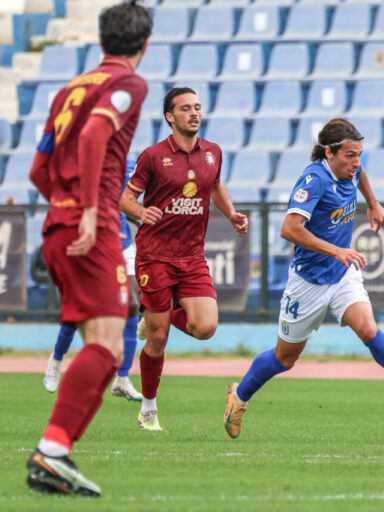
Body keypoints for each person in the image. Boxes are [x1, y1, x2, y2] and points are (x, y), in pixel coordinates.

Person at [222, 118, 384, 439]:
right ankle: (239, 397)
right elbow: (289, 229)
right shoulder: (314, 180)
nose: (356, 163)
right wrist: (336, 250)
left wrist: (373, 203)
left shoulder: (351, 171)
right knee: (284, 359)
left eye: (359, 155)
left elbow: (360, 175)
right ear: (329, 153)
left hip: (341, 276)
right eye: (350, 156)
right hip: (308, 282)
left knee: (368, 329)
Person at [25, 0, 152, 497]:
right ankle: (51, 452)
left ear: (102, 40)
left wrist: (65, 209)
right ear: (144, 45)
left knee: (107, 343)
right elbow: (98, 131)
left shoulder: (68, 90)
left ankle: (56, 453)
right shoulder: (129, 84)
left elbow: (39, 169)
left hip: (59, 224)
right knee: (105, 345)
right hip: (90, 226)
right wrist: (91, 210)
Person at [120, 87, 248, 431]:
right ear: (170, 116)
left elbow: (215, 185)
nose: (194, 113)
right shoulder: (152, 156)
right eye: (186, 108)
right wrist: (140, 212)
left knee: (205, 328)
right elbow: (125, 199)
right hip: (155, 256)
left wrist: (232, 214)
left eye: (198, 107)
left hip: (191, 255)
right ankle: (148, 408)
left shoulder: (213, 153)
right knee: (158, 338)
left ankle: (154, 313)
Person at [43, 160, 144, 402]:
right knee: (78, 310)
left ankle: (122, 378)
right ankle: (57, 359)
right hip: (91, 244)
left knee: (132, 305)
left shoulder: (130, 165)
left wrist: (142, 216)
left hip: (121, 245)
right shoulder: (82, 165)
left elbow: (132, 200)